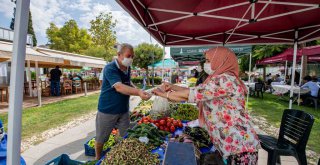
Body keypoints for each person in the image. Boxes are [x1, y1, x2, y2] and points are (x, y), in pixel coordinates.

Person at [153, 47, 260, 165]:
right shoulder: (221, 78)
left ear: (220, 61)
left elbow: (191, 95)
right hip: (232, 144)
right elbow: (198, 91)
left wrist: (164, 94)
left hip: (239, 146)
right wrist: (172, 87)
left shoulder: (224, 79)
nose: (206, 64)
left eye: (209, 61)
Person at [95, 43, 151, 160]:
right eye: (128, 56)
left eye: (132, 56)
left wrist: (137, 89)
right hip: (108, 110)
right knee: (101, 138)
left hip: (123, 109)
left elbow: (127, 82)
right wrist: (138, 93)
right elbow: (119, 87)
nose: (131, 59)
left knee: (125, 134)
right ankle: (97, 158)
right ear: (119, 55)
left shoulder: (128, 68)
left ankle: (120, 155)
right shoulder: (110, 68)